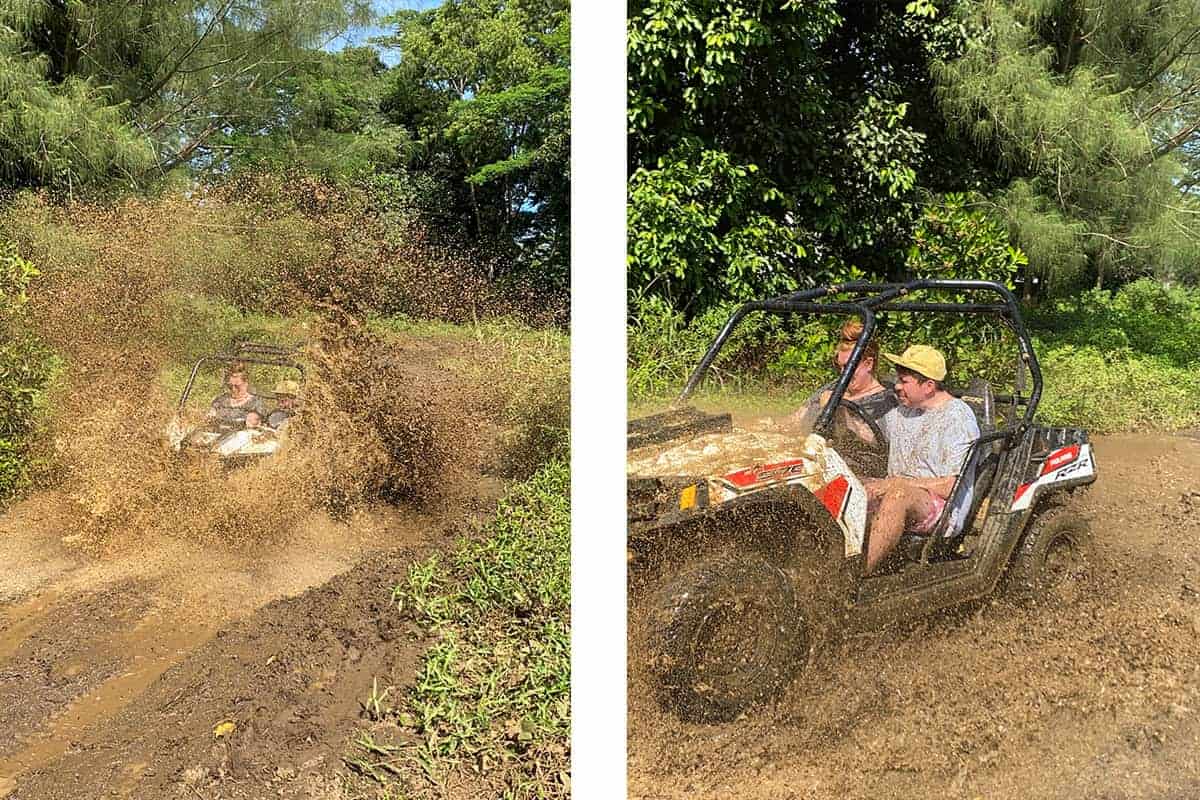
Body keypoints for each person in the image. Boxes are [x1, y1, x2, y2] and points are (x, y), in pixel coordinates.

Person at [862, 345, 980, 574]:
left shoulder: (957, 418)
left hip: (941, 508)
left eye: (904, 381)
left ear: (928, 385)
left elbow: (949, 486)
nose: (896, 386)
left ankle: (854, 578)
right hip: (900, 491)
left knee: (898, 493)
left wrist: (895, 484)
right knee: (842, 480)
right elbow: (866, 433)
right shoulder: (904, 412)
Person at [791, 319, 896, 443]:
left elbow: (875, 441)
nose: (843, 373)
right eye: (839, 366)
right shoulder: (835, 386)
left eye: (848, 367)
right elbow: (796, 418)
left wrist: (839, 408)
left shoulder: (885, 402)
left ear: (868, 364)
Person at [209, 362, 267, 427]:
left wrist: (254, 419)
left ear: (246, 383)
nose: (233, 389)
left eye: (237, 386)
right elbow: (210, 418)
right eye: (230, 386)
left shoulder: (256, 403)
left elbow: (257, 423)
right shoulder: (220, 400)